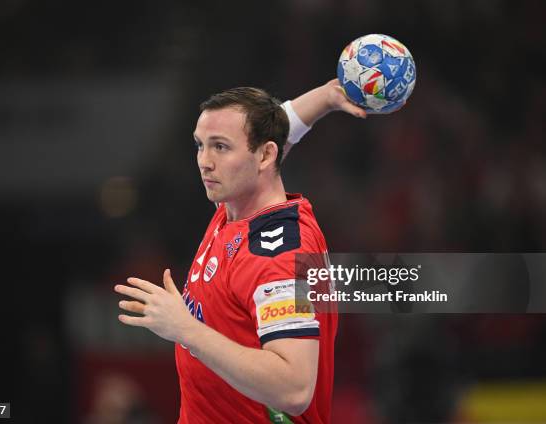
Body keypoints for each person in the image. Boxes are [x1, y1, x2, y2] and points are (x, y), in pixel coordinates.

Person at [114, 79, 366, 423]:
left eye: (219, 147)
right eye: (199, 145)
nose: (204, 161)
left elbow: (294, 388)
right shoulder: (236, 205)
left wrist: (185, 329)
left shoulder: (279, 255)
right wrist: (325, 98)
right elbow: (279, 130)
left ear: (265, 155)